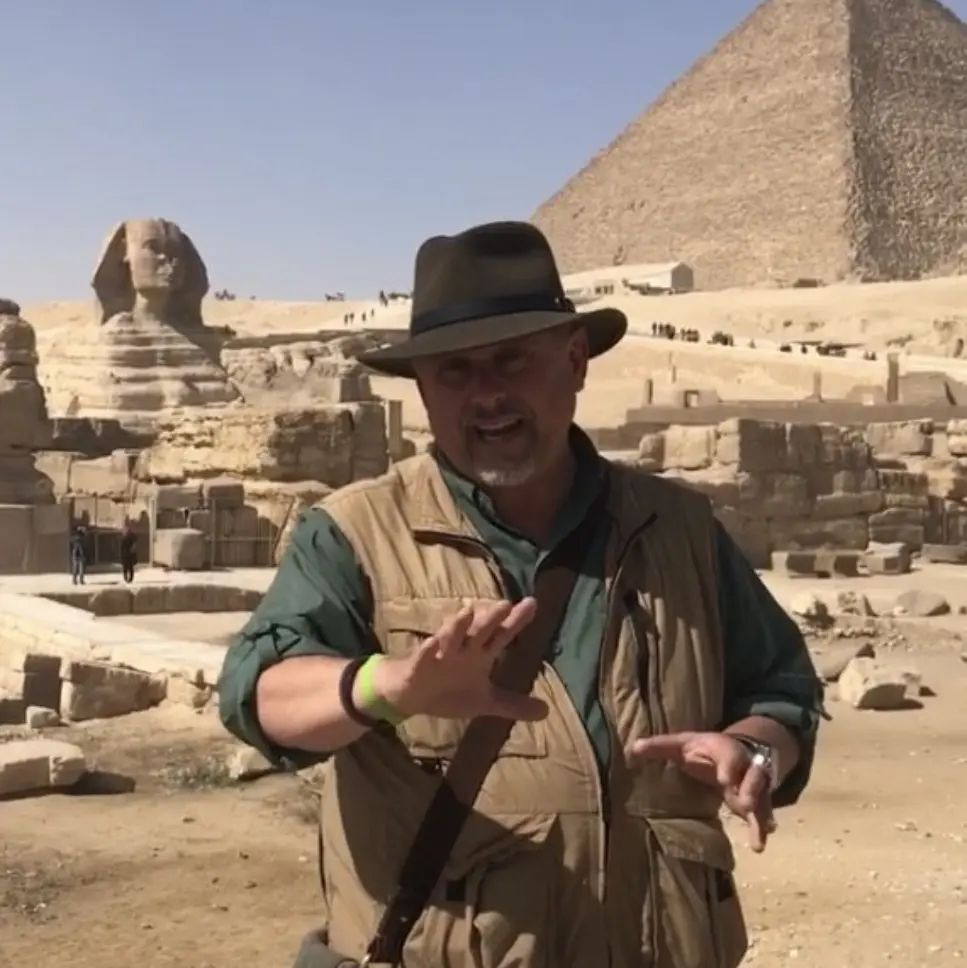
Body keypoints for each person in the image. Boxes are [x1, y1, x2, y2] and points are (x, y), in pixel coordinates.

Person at [218, 221, 824, 968]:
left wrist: (753, 751)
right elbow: (258, 693)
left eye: (511, 361)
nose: (487, 396)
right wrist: (392, 684)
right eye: (454, 372)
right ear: (422, 389)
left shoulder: (680, 531)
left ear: (573, 361)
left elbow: (782, 689)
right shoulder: (352, 534)